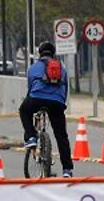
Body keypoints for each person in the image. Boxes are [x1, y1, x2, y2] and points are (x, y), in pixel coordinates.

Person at [19, 41, 74, 178]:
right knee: (61, 136)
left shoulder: (33, 67)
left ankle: (31, 137)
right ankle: (67, 170)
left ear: (40, 53)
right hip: (57, 102)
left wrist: (30, 101)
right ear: (53, 54)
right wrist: (61, 103)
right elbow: (66, 87)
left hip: (36, 98)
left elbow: (30, 87)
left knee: (24, 111)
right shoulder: (62, 67)